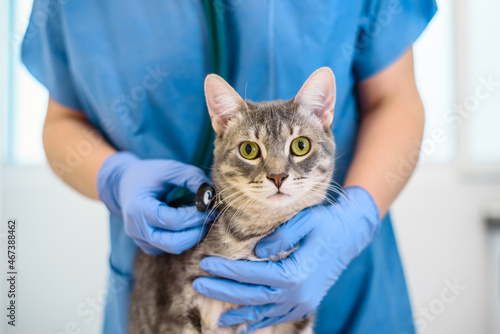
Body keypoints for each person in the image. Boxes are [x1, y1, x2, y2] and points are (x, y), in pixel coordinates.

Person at [22, 0, 436, 333]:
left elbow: (394, 99)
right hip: (162, 272)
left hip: (344, 268)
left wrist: (357, 216)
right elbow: (61, 121)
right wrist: (114, 177)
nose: (277, 172)